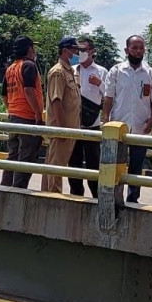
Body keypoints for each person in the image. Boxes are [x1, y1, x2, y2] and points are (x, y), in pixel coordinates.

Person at [103, 35, 152, 203]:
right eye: (134, 48)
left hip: (141, 128)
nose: (138, 52)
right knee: (115, 166)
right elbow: (108, 98)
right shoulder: (116, 71)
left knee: (136, 167)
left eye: (141, 48)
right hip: (118, 127)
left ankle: (132, 200)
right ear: (126, 50)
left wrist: (151, 122)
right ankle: (113, 199)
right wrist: (105, 120)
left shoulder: (150, 73)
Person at [41, 36, 85, 193]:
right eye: (74, 50)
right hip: (62, 128)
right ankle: (52, 196)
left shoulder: (70, 72)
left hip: (70, 128)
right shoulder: (58, 72)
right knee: (56, 166)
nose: (77, 53)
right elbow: (56, 101)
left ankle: (48, 194)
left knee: (57, 164)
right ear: (65, 51)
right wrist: (60, 129)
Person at [0, 35, 44, 189]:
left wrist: (12, 110)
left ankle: (5, 187)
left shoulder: (10, 68)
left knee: (13, 155)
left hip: (14, 117)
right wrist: (38, 114)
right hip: (27, 118)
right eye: (34, 48)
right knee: (26, 157)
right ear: (30, 49)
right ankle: (18, 190)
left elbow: (4, 95)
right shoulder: (29, 66)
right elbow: (29, 91)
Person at [68, 37, 108, 198]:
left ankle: (96, 197)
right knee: (73, 164)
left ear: (92, 51)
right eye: (78, 50)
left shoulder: (101, 72)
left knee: (93, 164)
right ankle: (76, 195)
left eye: (83, 50)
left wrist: (100, 83)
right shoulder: (71, 70)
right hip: (73, 124)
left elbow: (110, 97)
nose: (80, 53)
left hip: (92, 126)